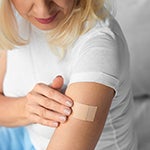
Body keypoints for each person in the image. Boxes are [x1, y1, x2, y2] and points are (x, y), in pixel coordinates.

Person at [0, 0, 137, 150]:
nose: (43, 10)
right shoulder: (13, 17)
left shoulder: (99, 48)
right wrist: (27, 108)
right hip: (26, 139)